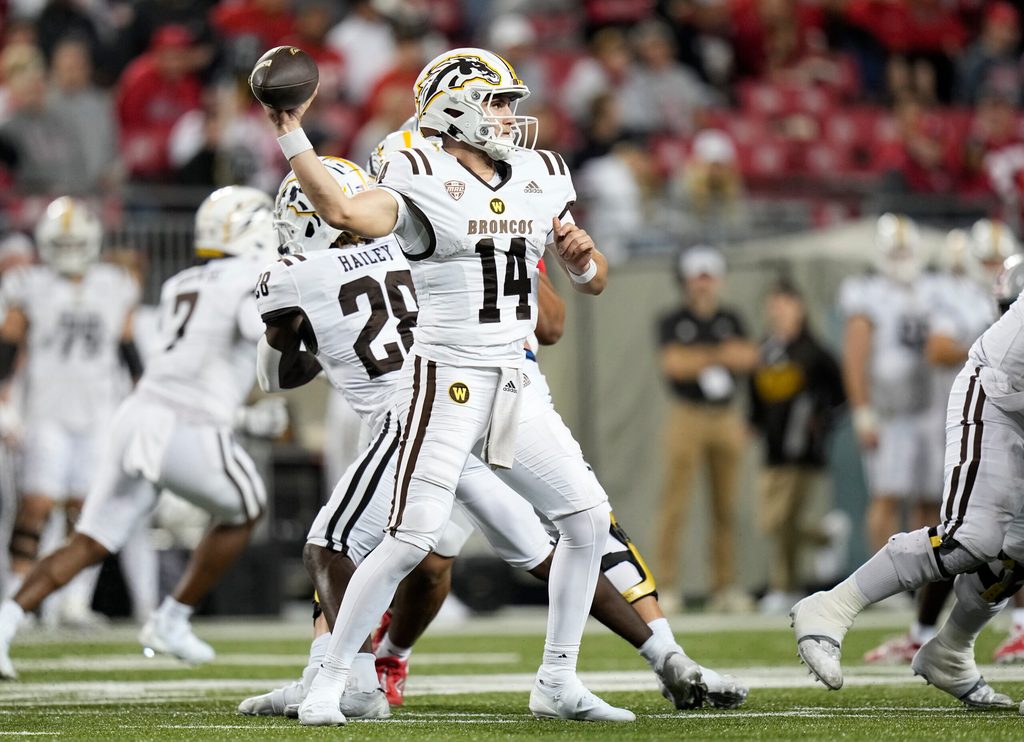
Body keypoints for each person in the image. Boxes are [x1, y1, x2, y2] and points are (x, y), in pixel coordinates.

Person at [238, 149, 741, 718]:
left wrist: (291, 321)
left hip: (410, 415)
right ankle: (660, 654)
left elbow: (276, 372)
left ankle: (345, 678)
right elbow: (551, 319)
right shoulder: (415, 239)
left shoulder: (301, 273)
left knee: (337, 544)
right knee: (558, 541)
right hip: (484, 402)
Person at [263, 46, 633, 726]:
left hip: (517, 381)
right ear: (455, 105)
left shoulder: (540, 172)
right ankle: (329, 680)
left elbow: (594, 276)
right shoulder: (412, 170)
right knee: (409, 537)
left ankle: (557, 678)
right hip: (447, 376)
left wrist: (582, 264)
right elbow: (343, 212)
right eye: (496, 101)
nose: (509, 116)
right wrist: (291, 130)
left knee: (584, 520)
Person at [0, 185, 283, 679]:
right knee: (247, 509)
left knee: (89, 539)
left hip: (135, 415)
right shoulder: (251, 280)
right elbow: (263, 335)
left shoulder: (182, 281)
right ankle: (171, 619)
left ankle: (5, 624)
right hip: (188, 423)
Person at [790, 252, 1024, 710]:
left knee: (1017, 550)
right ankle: (831, 606)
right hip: (995, 395)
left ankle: (951, 651)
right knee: (971, 537)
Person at [862, 220, 1009, 665]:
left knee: (984, 528)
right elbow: (939, 347)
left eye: (996, 260)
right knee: (968, 529)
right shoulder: (952, 295)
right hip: (973, 421)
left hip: (1000, 419)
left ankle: (929, 630)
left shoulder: (1001, 299)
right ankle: (922, 626)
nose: (991, 268)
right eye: (983, 260)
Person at [0, 197, 141, 628]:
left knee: (85, 509)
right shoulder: (29, 284)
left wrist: (141, 402)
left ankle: (73, 600)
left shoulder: (115, 284)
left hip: (97, 412)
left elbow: (128, 350)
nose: (67, 252)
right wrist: (4, 401)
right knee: (37, 505)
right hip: (46, 411)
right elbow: (8, 349)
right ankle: (16, 598)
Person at [655, 245, 758, 613]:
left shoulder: (732, 316)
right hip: (687, 415)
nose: (703, 285)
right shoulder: (673, 319)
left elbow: (748, 357)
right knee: (675, 504)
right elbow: (674, 365)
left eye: (708, 277)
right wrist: (719, 354)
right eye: (697, 278)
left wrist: (697, 357)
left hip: (725, 415)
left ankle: (725, 585)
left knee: (726, 505)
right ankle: (666, 585)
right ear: (687, 281)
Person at [840, 214, 936, 556]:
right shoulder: (867, 292)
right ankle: (885, 582)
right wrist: (862, 411)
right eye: (893, 252)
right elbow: (855, 355)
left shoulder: (931, 289)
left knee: (933, 497)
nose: (900, 258)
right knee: (887, 496)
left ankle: (926, 582)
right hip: (889, 410)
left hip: (930, 409)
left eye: (904, 250)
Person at [749, 279, 847, 614]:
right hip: (773, 448)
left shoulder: (815, 353)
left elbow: (840, 395)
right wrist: (752, 424)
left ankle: (784, 586)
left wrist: (822, 422)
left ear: (799, 307)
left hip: (803, 449)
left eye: (785, 302)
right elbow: (756, 394)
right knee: (772, 521)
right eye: (774, 302)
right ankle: (823, 537)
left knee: (784, 518)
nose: (778, 309)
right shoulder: (766, 349)